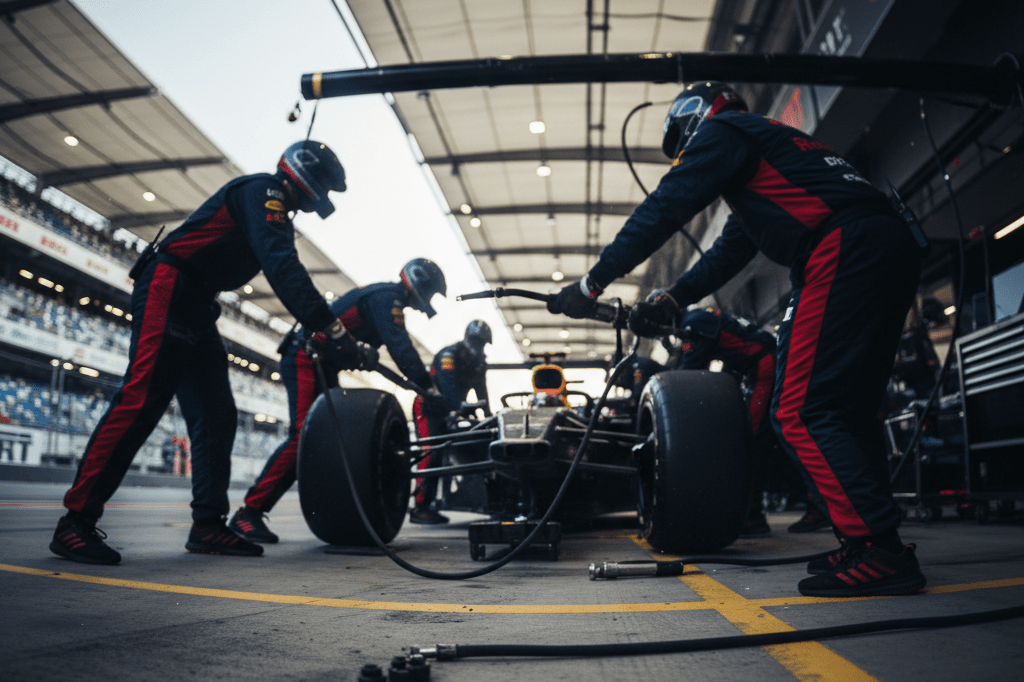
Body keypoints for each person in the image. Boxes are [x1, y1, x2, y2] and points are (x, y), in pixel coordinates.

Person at [548, 82, 927, 597]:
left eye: (683, 144)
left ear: (692, 120)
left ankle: (878, 549)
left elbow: (665, 207)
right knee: (846, 410)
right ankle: (869, 542)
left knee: (800, 410)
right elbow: (730, 250)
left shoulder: (722, 130)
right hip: (887, 244)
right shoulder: (767, 151)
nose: (686, 154)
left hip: (843, 248)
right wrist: (675, 298)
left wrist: (592, 283)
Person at [50, 141, 350, 564]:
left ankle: (208, 525)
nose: (324, 196)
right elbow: (283, 267)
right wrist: (330, 325)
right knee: (141, 400)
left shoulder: (276, 206)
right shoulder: (267, 193)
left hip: (197, 301)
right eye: (326, 187)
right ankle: (74, 523)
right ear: (310, 177)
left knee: (217, 414)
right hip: (170, 284)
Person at [230, 258, 449, 542]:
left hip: (322, 364)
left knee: (325, 440)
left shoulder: (384, 297)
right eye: (430, 293)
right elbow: (400, 347)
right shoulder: (387, 298)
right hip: (305, 358)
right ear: (420, 283)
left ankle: (315, 509)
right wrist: (428, 387)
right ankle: (248, 513)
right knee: (303, 437)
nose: (429, 300)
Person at [669, 306, 779, 536]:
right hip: (759, 364)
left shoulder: (691, 324)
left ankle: (754, 515)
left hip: (764, 363)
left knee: (751, 439)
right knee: (754, 438)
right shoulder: (699, 317)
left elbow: (689, 372)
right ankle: (753, 512)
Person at [409, 319, 492, 524]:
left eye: (482, 343)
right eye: (477, 341)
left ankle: (430, 503)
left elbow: (482, 391)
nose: (479, 346)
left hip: (451, 411)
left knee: (443, 453)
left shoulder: (478, 363)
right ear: (467, 338)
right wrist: (461, 407)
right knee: (430, 451)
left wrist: (488, 417)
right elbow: (448, 386)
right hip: (429, 408)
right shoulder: (449, 355)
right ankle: (420, 507)